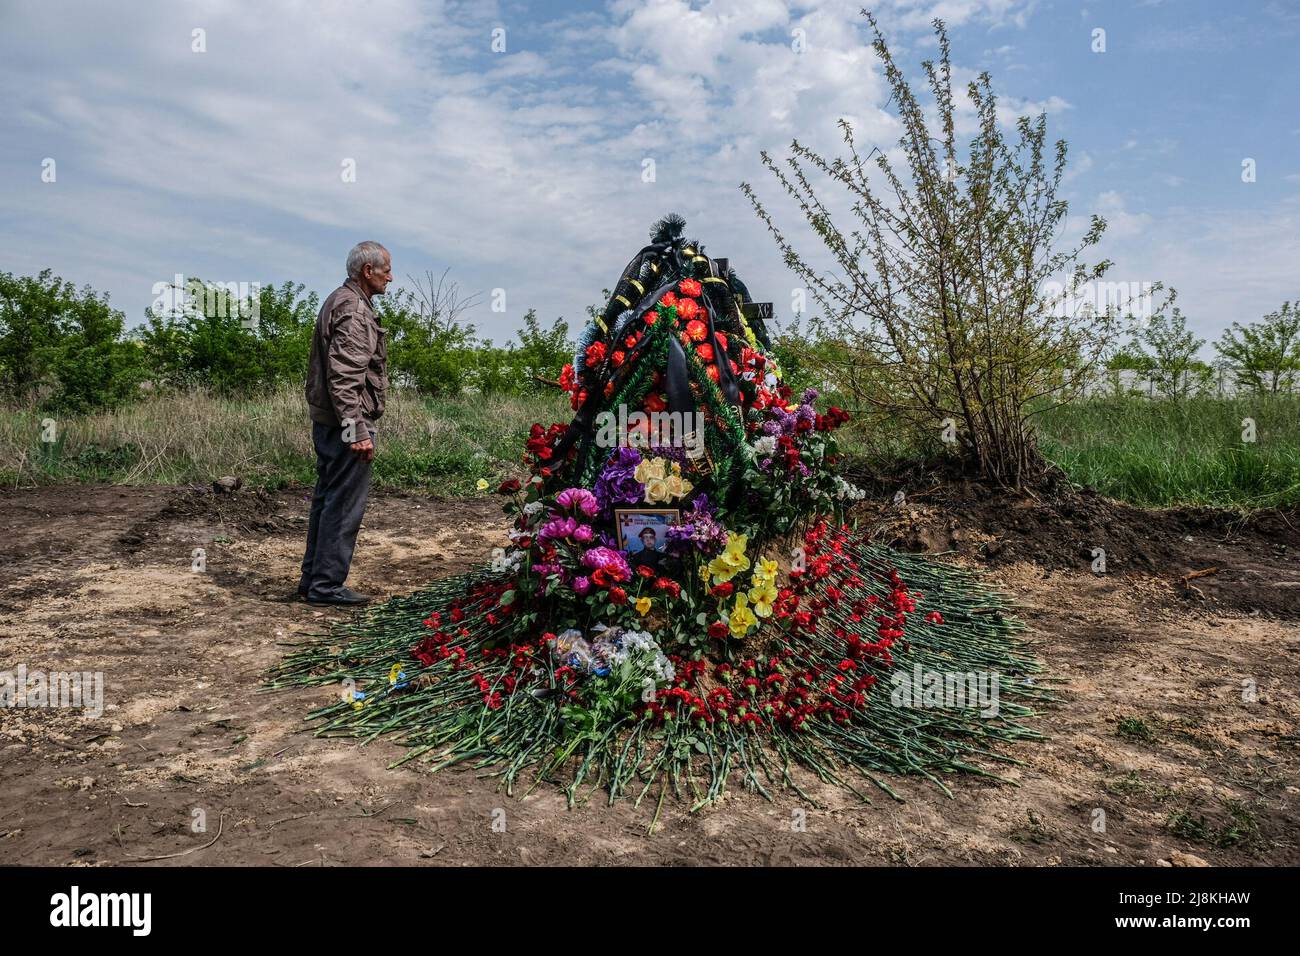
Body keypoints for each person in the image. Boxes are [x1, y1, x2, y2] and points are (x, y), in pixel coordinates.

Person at [299, 241, 392, 605]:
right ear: (367, 271)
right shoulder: (354, 309)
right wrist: (357, 430)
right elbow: (344, 376)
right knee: (342, 505)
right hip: (346, 425)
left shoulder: (340, 299)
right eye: (386, 270)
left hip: (330, 422)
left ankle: (313, 581)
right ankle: (325, 586)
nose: (391, 278)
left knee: (327, 500)